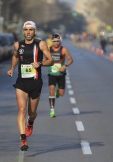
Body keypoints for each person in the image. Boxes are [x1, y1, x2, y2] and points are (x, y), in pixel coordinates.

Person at [6, 21, 54, 151]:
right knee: (22, 110)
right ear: (23, 31)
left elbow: (51, 60)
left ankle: (31, 122)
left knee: (31, 112)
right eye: (26, 30)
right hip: (21, 82)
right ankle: (23, 139)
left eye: (31, 29)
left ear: (35, 31)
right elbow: (15, 56)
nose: (28, 32)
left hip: (35, 82)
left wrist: (40, 63)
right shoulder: (18, 44)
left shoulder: (41, 44)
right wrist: (12, 68)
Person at [47, 33, 73, 117]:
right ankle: (52, 110)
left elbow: (70, 60)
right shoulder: (48, 49)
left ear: (60, 41)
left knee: (62, 94)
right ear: (52, 41)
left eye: (57, 41)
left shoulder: (63, 49)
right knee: (51, 90)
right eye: (54, 41)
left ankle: (58, 92)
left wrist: (65, 66)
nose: (56, 43)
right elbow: (44, 60)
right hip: (51, 73)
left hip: (61, 74)